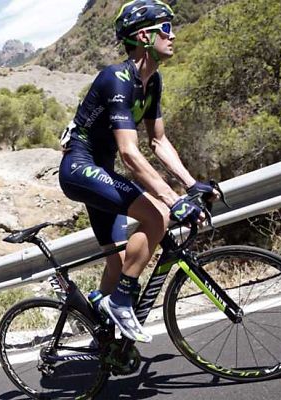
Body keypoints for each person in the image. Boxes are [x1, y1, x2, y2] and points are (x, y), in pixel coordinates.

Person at [58, 0, 218, 343]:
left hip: (99, 170)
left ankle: (100, 337)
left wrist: (192, 185)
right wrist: (173, 199)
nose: (173, 35)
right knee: (157, 214)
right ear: (144, 36)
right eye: (166, 28)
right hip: (79, 168)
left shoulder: (152, 81)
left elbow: (158, 141)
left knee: (117, 261)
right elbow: (130, 154)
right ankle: (120, 301)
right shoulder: (115, 79)